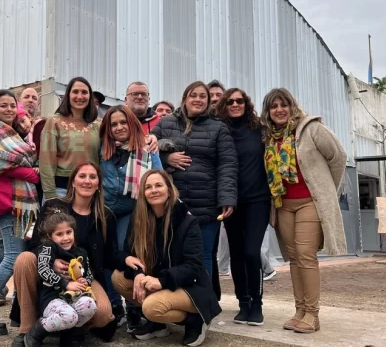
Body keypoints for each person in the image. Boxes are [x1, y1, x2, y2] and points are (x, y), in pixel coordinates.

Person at [261, 87, 347, 334]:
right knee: (294, 258)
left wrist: (327, 190)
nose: (279, 110)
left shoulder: (311, 129)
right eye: (273, 106)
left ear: (292, 106)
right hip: (282, 205)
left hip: (309, 202)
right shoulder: (269, 137)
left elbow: (338, 157)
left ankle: (313, 314)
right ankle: (300, 310)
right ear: (268, 112)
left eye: (283, 105)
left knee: (305, 254)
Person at [11, 162, 117, 346]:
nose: (87, 181)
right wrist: (52, 261)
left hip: (83, 274)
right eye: (82, 176)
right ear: (73, 182)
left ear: (98, 184)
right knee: (24, 259)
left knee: (103, 314)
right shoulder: (54, 206)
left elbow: (110, 255)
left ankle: (69, 329)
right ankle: (29, 330)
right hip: (48, 271)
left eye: (93, 177)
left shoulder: (105, 215)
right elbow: (35, 243)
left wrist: (128, 259)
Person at [112, 170, 221, 346]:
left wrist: (162, 281)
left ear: (169, 190)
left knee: (151, 307)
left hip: (191, 287)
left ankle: (196, 319)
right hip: (159, 282)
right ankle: (158, 325)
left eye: (158, 185)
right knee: (118, 278)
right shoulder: (139, 219)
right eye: (148, 187)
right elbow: (128, 253)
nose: (153, 190)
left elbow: (194, 265)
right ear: (143, 194)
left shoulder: (187, 221)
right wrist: (137, 272)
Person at [152, 81, 238, 278]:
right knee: (171, 252)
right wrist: (166, 158)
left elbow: (227, 164)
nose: (198, 100)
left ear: (208, 102)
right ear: (184, 99)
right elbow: (147, 150)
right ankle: (175, 301)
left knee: (204, 254)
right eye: (193, 95)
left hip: (206, 201)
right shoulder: (165, 123)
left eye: (202, 96)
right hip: (172, 200)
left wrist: (226, 198)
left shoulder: (218, 128)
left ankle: (201, 303)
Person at [0, 90, 40, 330]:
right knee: (13, 257)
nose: (9, 109)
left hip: (24, 203)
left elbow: (17, 161)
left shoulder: (15, 133)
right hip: (10, 202)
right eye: (3, 105)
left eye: (12, 106)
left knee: (19, 255)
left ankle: (4, 308)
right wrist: (32, 173)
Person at [99, 104, 162, 330]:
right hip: (105, 210)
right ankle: (114, 308)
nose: (118, 127)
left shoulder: (147, 149)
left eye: (123, 122)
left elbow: (158, 177)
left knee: (131, 256)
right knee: (107, 258)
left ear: (132, 124)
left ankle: (134, 307)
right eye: (114, 124)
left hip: (134, 211)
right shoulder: (102, 150)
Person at [216, 88, 272, 326]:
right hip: (231, 202)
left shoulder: (260, 130)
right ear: (224, 105)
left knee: (251, 251)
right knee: (237, 254)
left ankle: (257, 303)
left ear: (246, 103)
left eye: (240, 100)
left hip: (258, 200)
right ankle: (243, 303)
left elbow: (286, 130)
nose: (235, 104)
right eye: (230, 101)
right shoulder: (221, 131)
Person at [24, 209, 98, 346]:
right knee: (69, 315)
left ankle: (67, 338)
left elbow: (88, 274)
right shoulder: (48, 248)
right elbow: (43, 269)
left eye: (69, 232)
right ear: (50, 236)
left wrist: (83, 281)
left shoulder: (81, 252)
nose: (65, 238)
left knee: (90, 305)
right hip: (52, 298)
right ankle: (36, 332)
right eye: (59, 234)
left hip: (74, 298)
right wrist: (66, 284)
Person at [40, 77, 101, 201]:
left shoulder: (98, 126)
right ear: (68, 95)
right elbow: (46, 162)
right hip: (61, 191)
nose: (80, 96)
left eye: (84, 92)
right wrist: (51, 196)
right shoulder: (54, 122)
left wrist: (151, 138)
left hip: (90, 191)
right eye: (75, 92)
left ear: (90, 96)